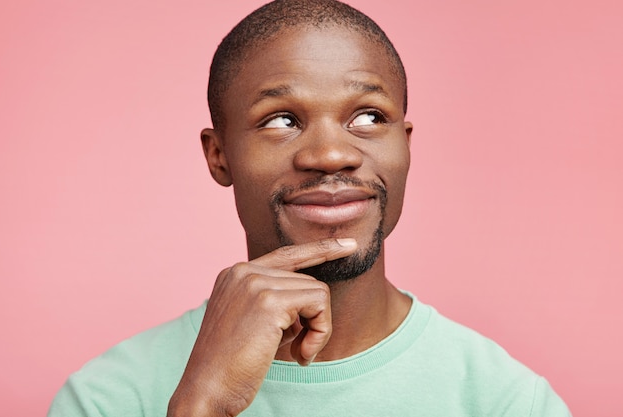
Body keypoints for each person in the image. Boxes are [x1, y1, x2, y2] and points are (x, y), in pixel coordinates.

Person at [48, 1, 572, 416]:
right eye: (281, 120)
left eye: (368, 116)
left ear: (406, 144)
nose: (330, 155)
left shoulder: (506, 402)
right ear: (219, 155)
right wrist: (200, 406)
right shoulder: (102, 401)